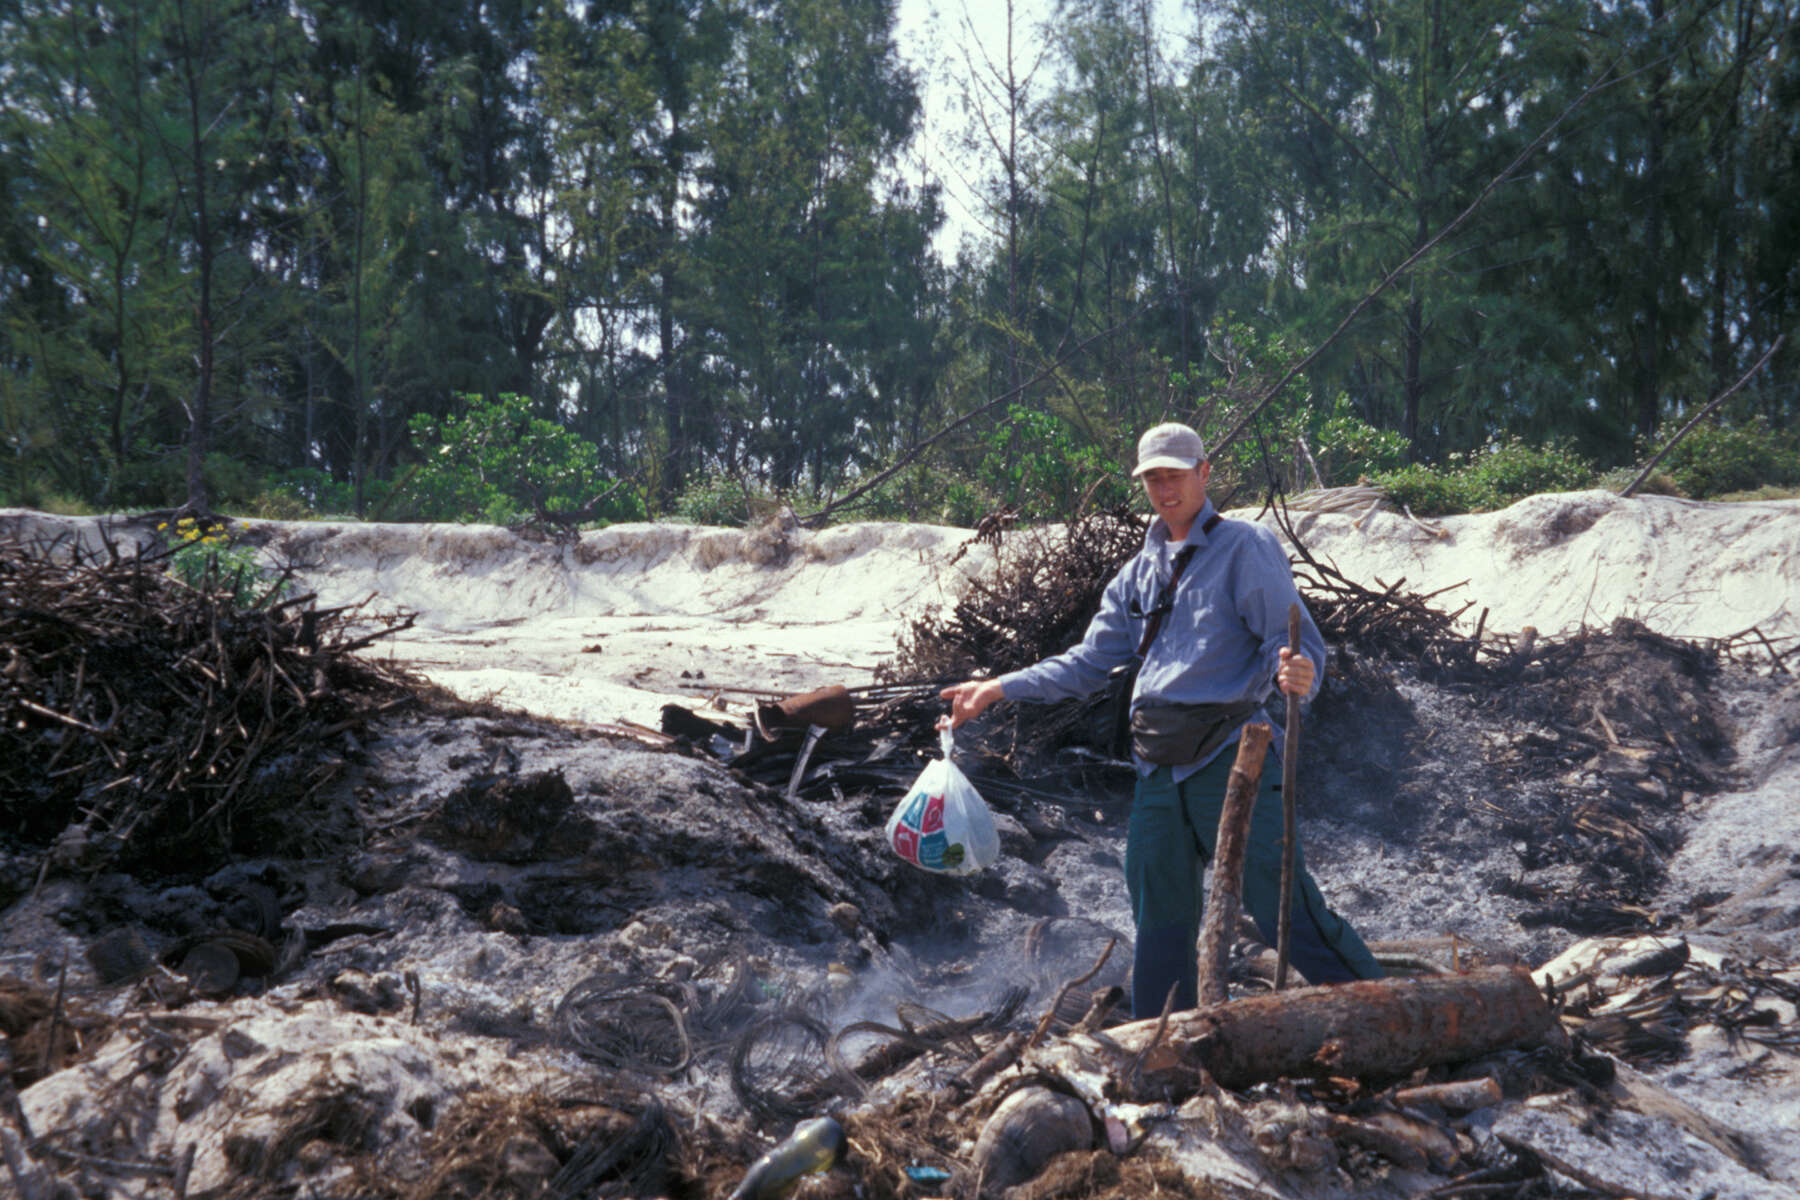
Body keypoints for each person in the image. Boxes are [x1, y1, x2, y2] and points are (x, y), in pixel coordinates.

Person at [940, 422, 1383, 1017]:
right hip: (1155, 768)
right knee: (1160, 917)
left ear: (1204, 474)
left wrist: (1299, 673)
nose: (1165, 486)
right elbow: (1091, 662)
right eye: (1153, 476)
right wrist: (997, 688)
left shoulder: (1246, 547)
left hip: (1232, 757)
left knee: (1284, 906)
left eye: (1176, 473)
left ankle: (1389, 1010)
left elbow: (1294, 642)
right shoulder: (1137, 573)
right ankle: (1162, 1039)